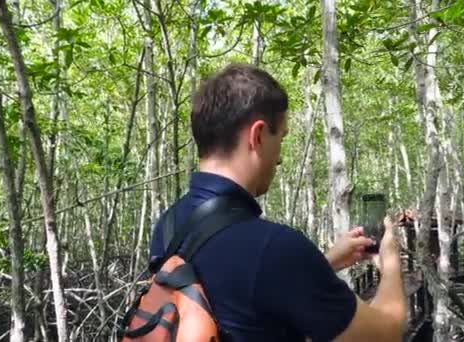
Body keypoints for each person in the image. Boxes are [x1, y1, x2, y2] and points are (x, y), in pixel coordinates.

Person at [149, 63, 407, 341]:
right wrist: (390, 261)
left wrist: (324, 263)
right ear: (257, 136)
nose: (280, 157)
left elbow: (238, 296)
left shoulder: (169, 225)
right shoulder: (275, 248)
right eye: (280, 138)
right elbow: (386, 333)